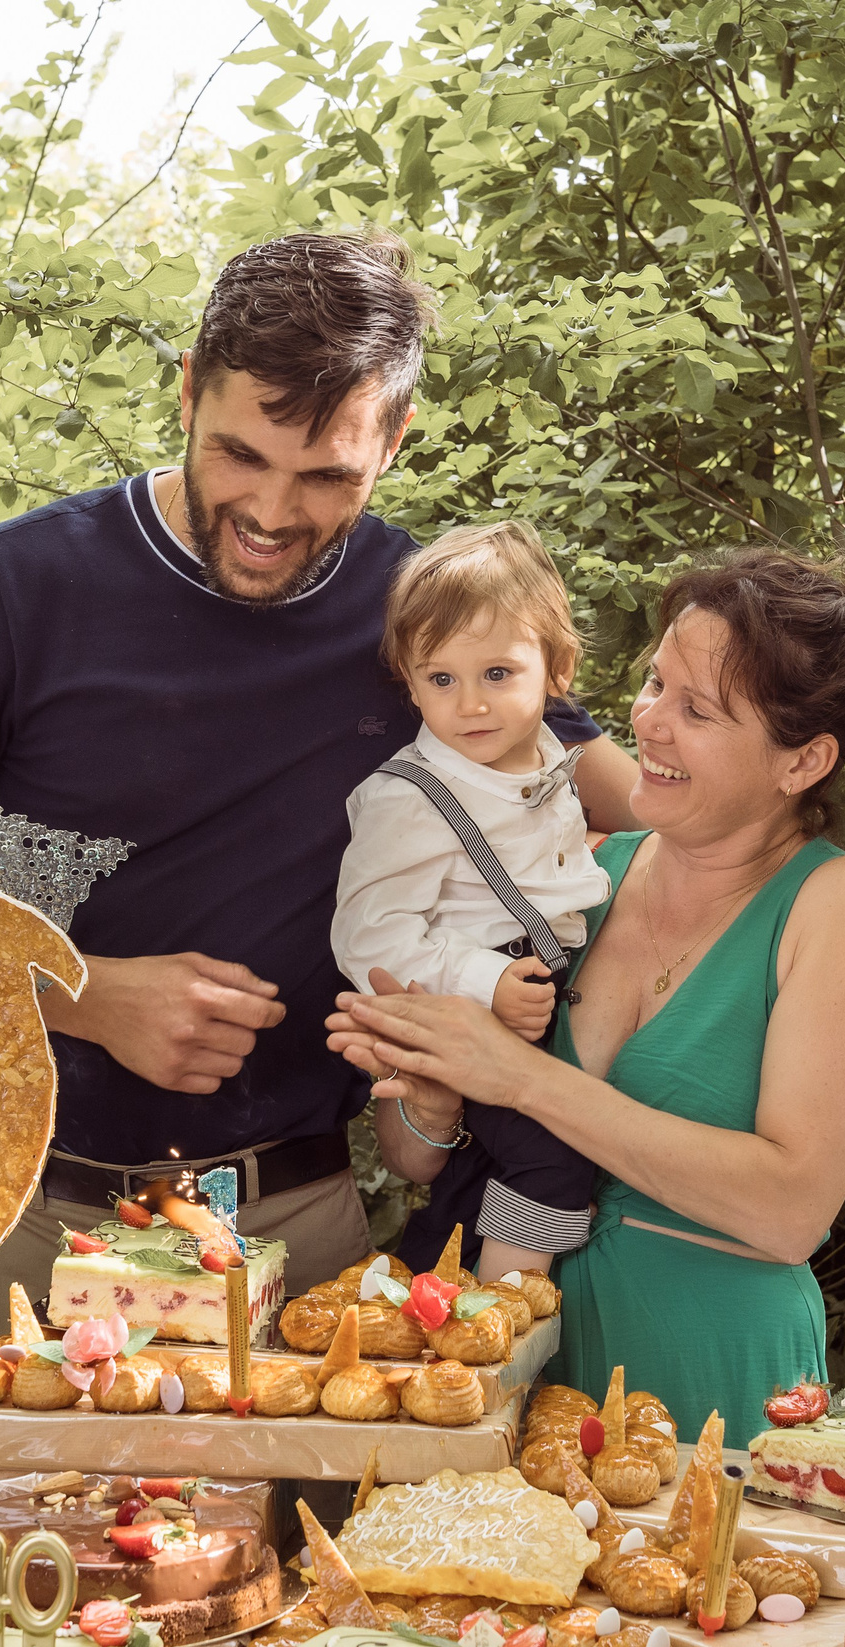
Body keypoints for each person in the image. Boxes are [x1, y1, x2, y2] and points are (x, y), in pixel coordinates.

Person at [0, 231, 845, 1334]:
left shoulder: (428, 613)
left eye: (324, 475)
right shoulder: (14, 587)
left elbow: (682, 803)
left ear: (397, 437)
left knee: (298, 1555)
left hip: (297, 1226)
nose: (270, 514)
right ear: (186, 389)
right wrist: (84, 993)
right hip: (12, 1211)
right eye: (239, 455)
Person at [327, 547, 845, 1438]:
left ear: (804, 761)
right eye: (653, 683)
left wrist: (520, 1078)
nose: (649, 722)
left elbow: (790, 1208)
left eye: (697, 709)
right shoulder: (585, 877)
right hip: (516, 1377)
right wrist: (439, 1097)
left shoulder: (843, 905)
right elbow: (413, 1161)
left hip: (705, 1375)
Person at [330, 521, 608, 1280]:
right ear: (409, 679)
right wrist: (485, 981)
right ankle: (503, 1317)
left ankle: (431, 1281)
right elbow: (368, 935)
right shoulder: (412, 795)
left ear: (556, 667)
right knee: (553, 1160)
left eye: (497, 673)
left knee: (482, 1175)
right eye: (440, 679)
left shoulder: (551, 756)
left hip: (552, 990)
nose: (470, 705)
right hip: (474, 1010)